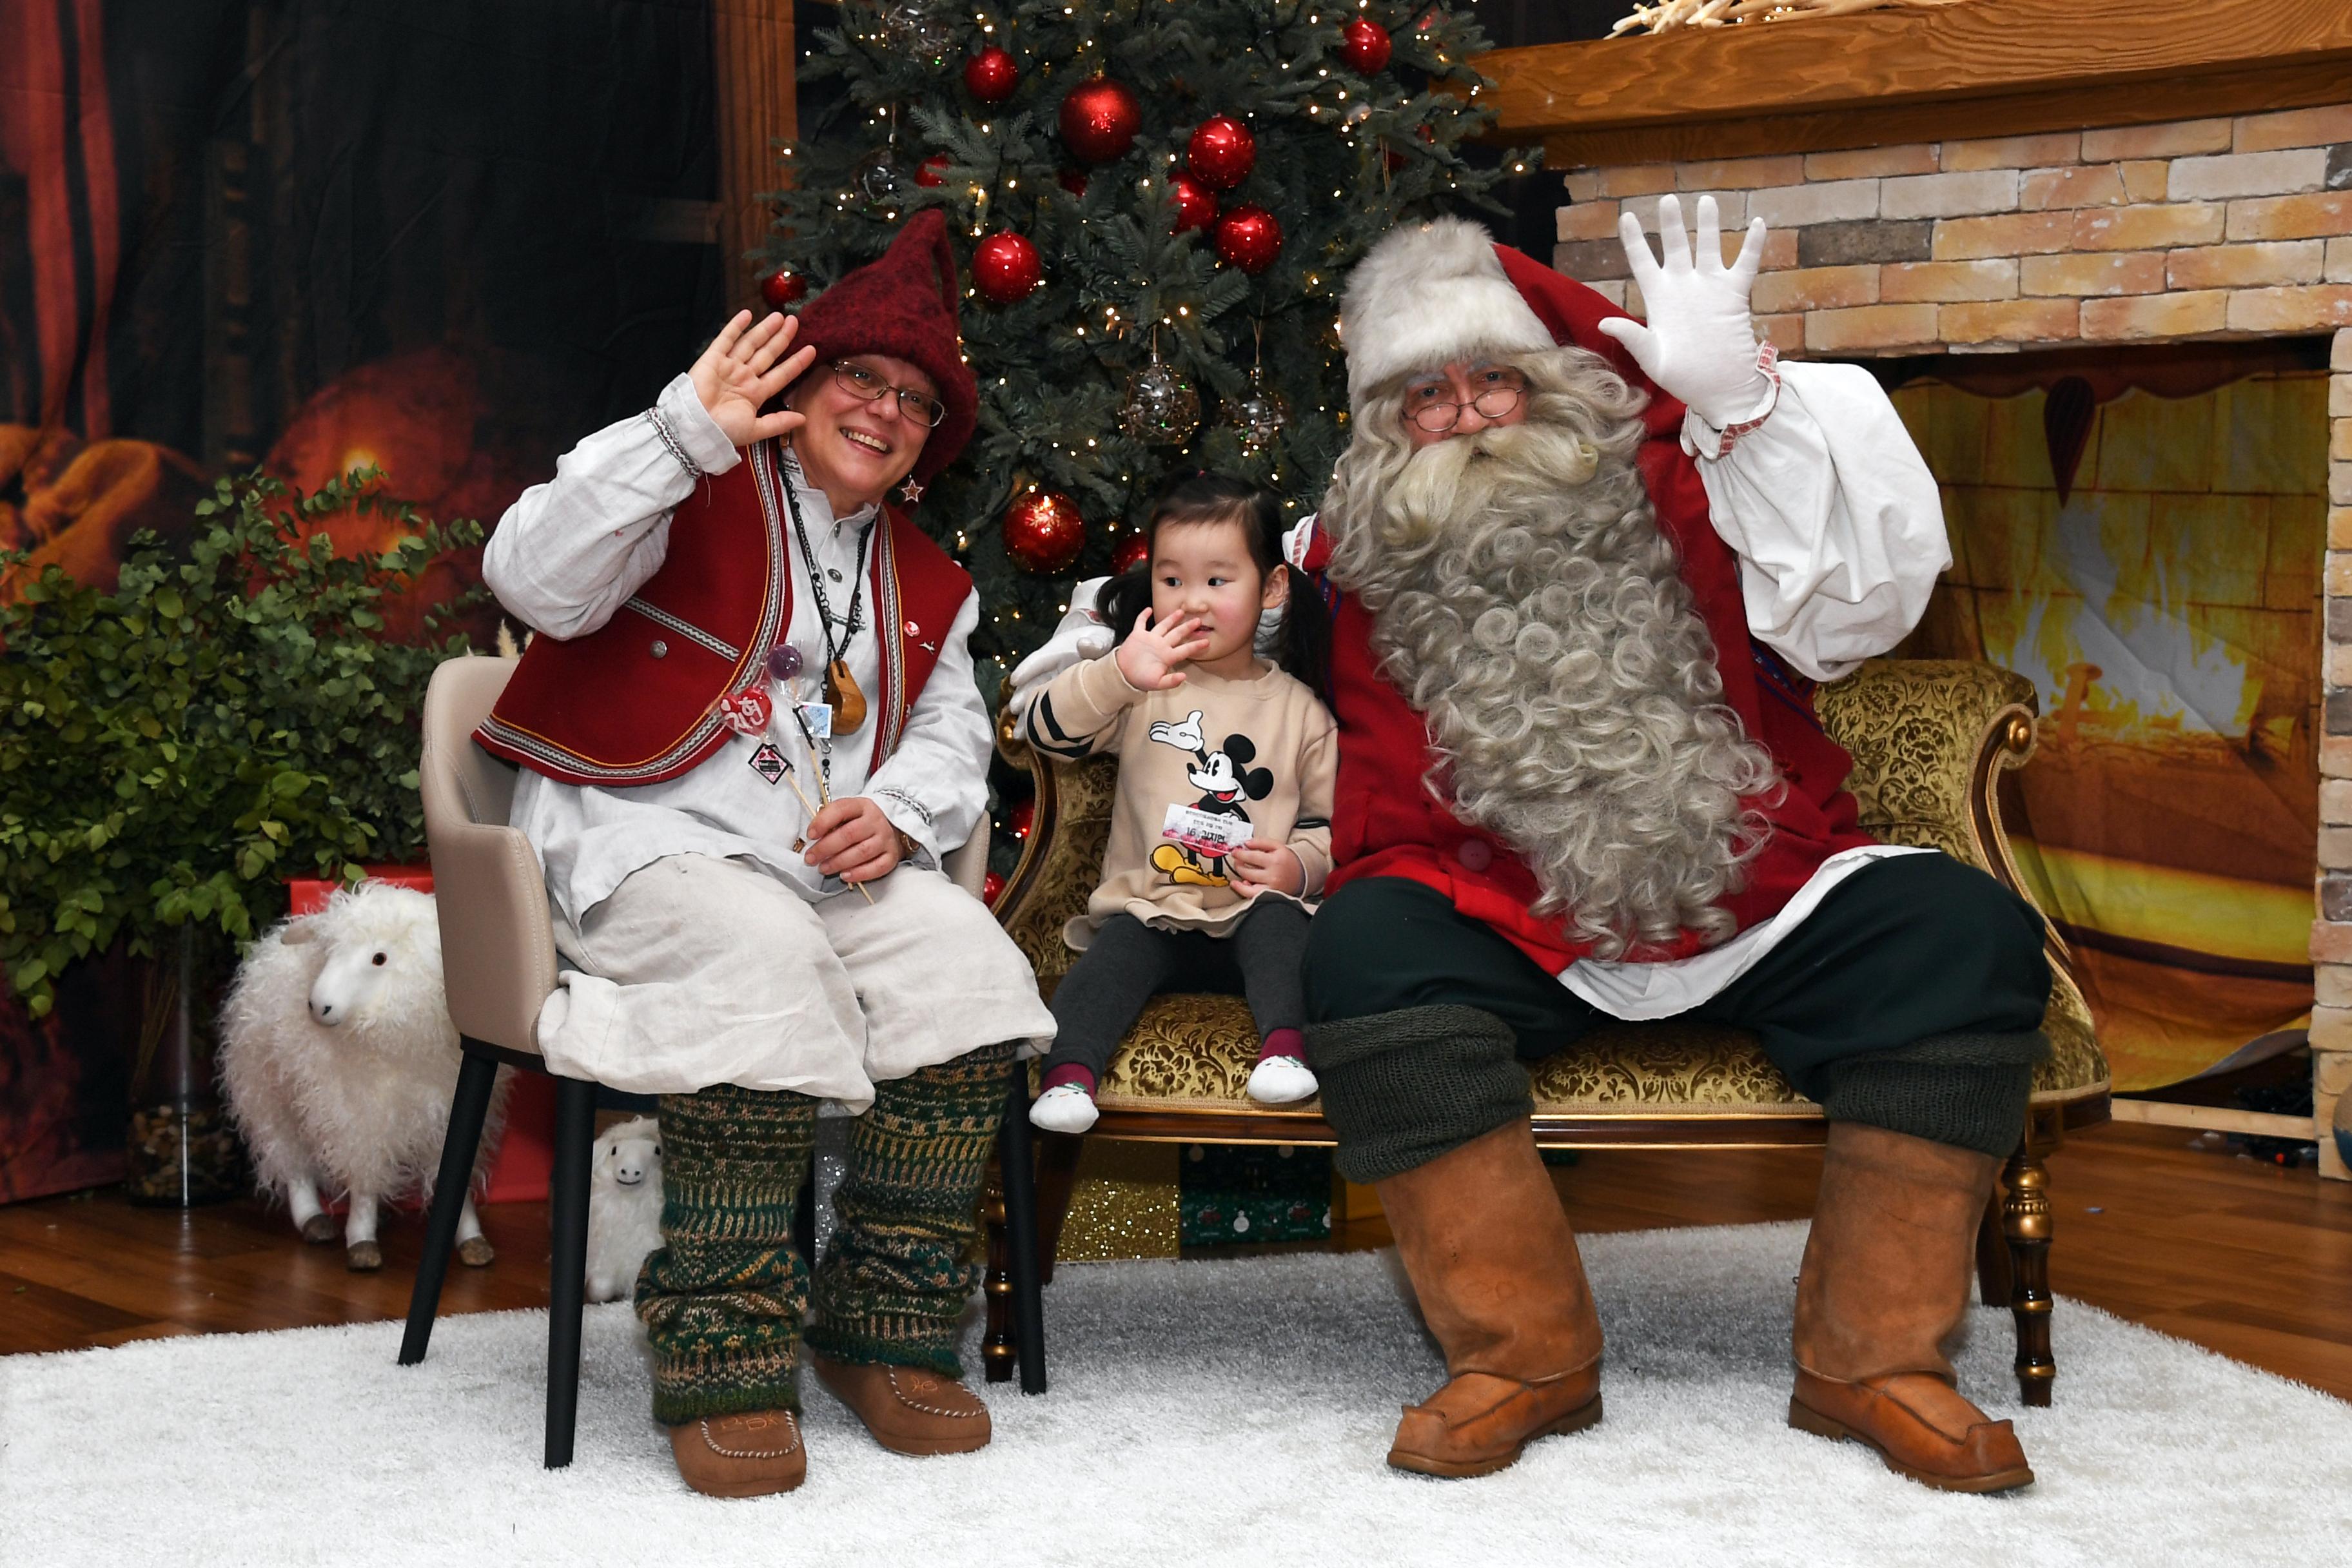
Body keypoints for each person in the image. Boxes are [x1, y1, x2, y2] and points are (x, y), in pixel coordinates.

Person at [1014, 198, 2052, 1494]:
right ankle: (1522, 1352)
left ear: (1552, 386)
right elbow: (1128, 628)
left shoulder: (1699, 480)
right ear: (1385, 426)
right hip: (1488, 909)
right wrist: (1122, 653)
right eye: (1425, 395)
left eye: (1492, 379)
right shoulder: (1328, 557)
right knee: (1369, 951)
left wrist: (1746, 409)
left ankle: (1875, 1356)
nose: (1464, 415)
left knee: (1962, 933)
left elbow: (1863, 612)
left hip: (1745, 890)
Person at [478, 211, 1055, 1498]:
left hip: (818, 873)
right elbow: (527, 576)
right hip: (642, 845)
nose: (885, 409)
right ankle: (724, 1354)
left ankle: (883, 1329)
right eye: (864, 376)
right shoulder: (684, 473)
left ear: (927, 441)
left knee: (963, 956)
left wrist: (900, 812)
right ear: (803, 377)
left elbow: (959, 737)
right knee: (762, 954)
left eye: (914, 399)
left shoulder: (927, 578)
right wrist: (683, 430)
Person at [1019, 475, 1337, 1135]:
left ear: (1272, 587)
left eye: (1217, 581)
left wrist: (1298, 867)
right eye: (1172, 580)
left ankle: (1285, 1050)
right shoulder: (1142, 684)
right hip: (1153, 908)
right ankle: (1069, 1076)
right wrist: (1116, 673)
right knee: (1105, 965)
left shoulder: (1304, 712)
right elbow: (1046, 730)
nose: (1192, 600)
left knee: (1290, 940)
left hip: (1253, 909)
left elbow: (1327, 826)